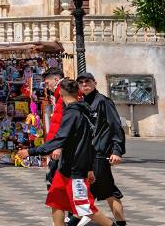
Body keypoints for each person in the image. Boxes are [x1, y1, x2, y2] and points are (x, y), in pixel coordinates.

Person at [40, 80, 113, 226]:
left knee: (86, 208)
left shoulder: (73, 113)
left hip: (75, 169)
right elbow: (89, 143)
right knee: (56, 200)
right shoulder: (85, 111)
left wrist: (30, 151)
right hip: (66, 168)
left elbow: (61, 138)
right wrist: (90, 167)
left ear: (60, 93)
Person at [78, 72, 128, 225]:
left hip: (99, 154)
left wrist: (117, 150)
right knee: (81, 191)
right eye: (81, 83)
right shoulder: (82, 103)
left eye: (87, 82)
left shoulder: (103, 102)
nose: (84, 85)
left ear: (95, 83)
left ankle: (120, 223)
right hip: (86, 154)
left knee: (108, 191)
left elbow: (115, 126)